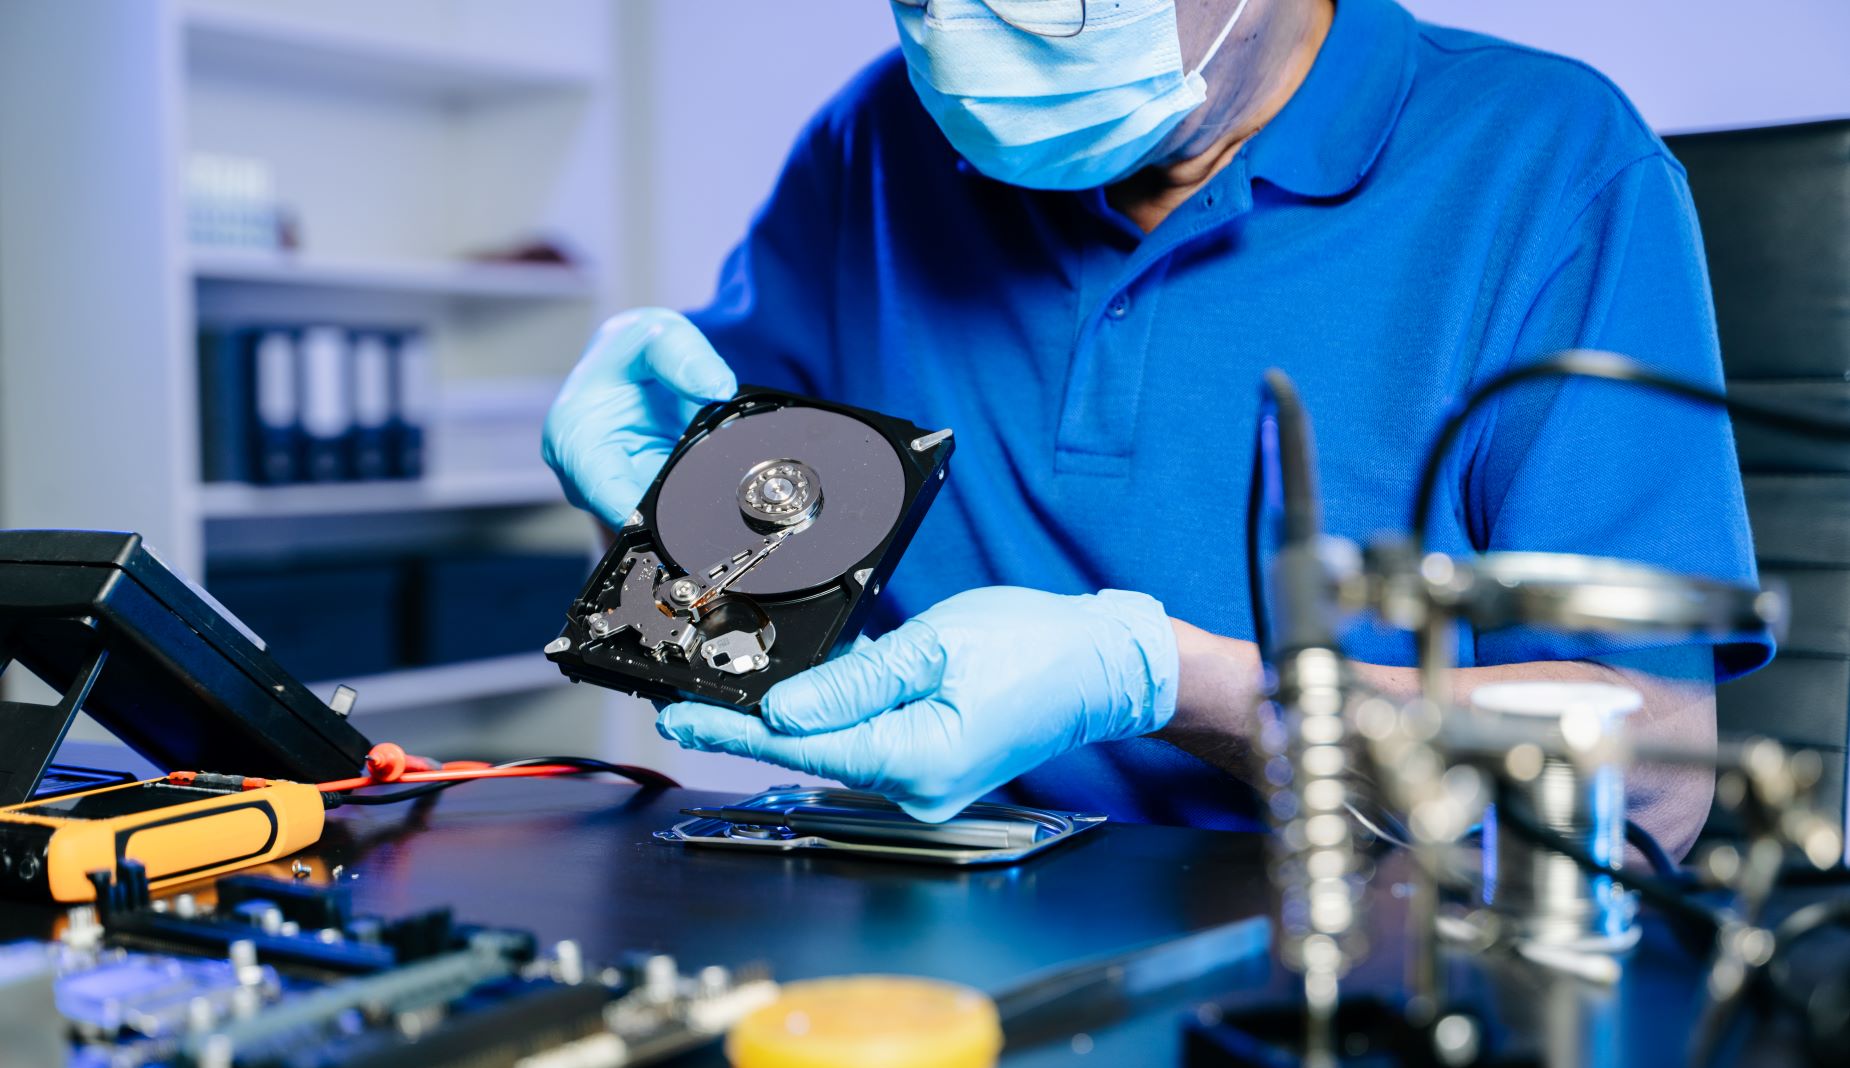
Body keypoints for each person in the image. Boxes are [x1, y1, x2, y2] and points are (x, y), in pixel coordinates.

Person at [543, 0, 1765, 857]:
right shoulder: (877, 140)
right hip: (922, 905)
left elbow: (1646, 783)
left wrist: (1174, 684)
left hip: (1348, 953)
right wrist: (646, 495)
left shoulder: (1548, 164)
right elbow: (719, 575)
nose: (971, 31)